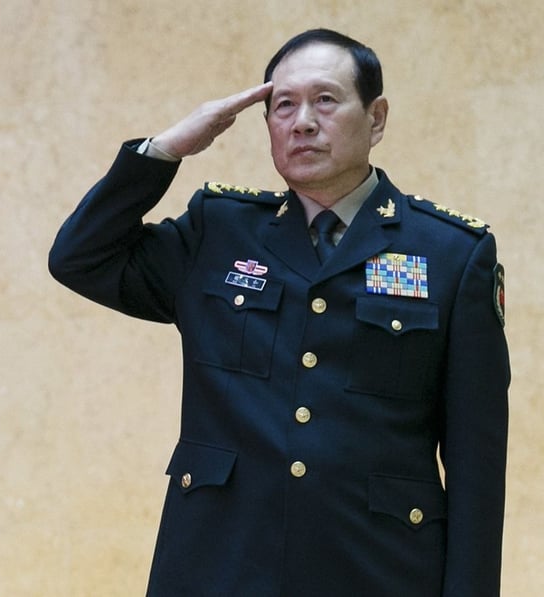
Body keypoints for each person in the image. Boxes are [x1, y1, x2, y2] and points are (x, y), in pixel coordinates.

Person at [49, 28, 509, 596]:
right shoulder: (217, 231)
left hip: (378, 569)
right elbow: (79, 258)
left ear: (377, 118)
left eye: (326, 100)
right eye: (283, 105)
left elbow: (476, 468)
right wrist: (165, 151)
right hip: (220, 565)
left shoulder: (451, 255)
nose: (303, 121)